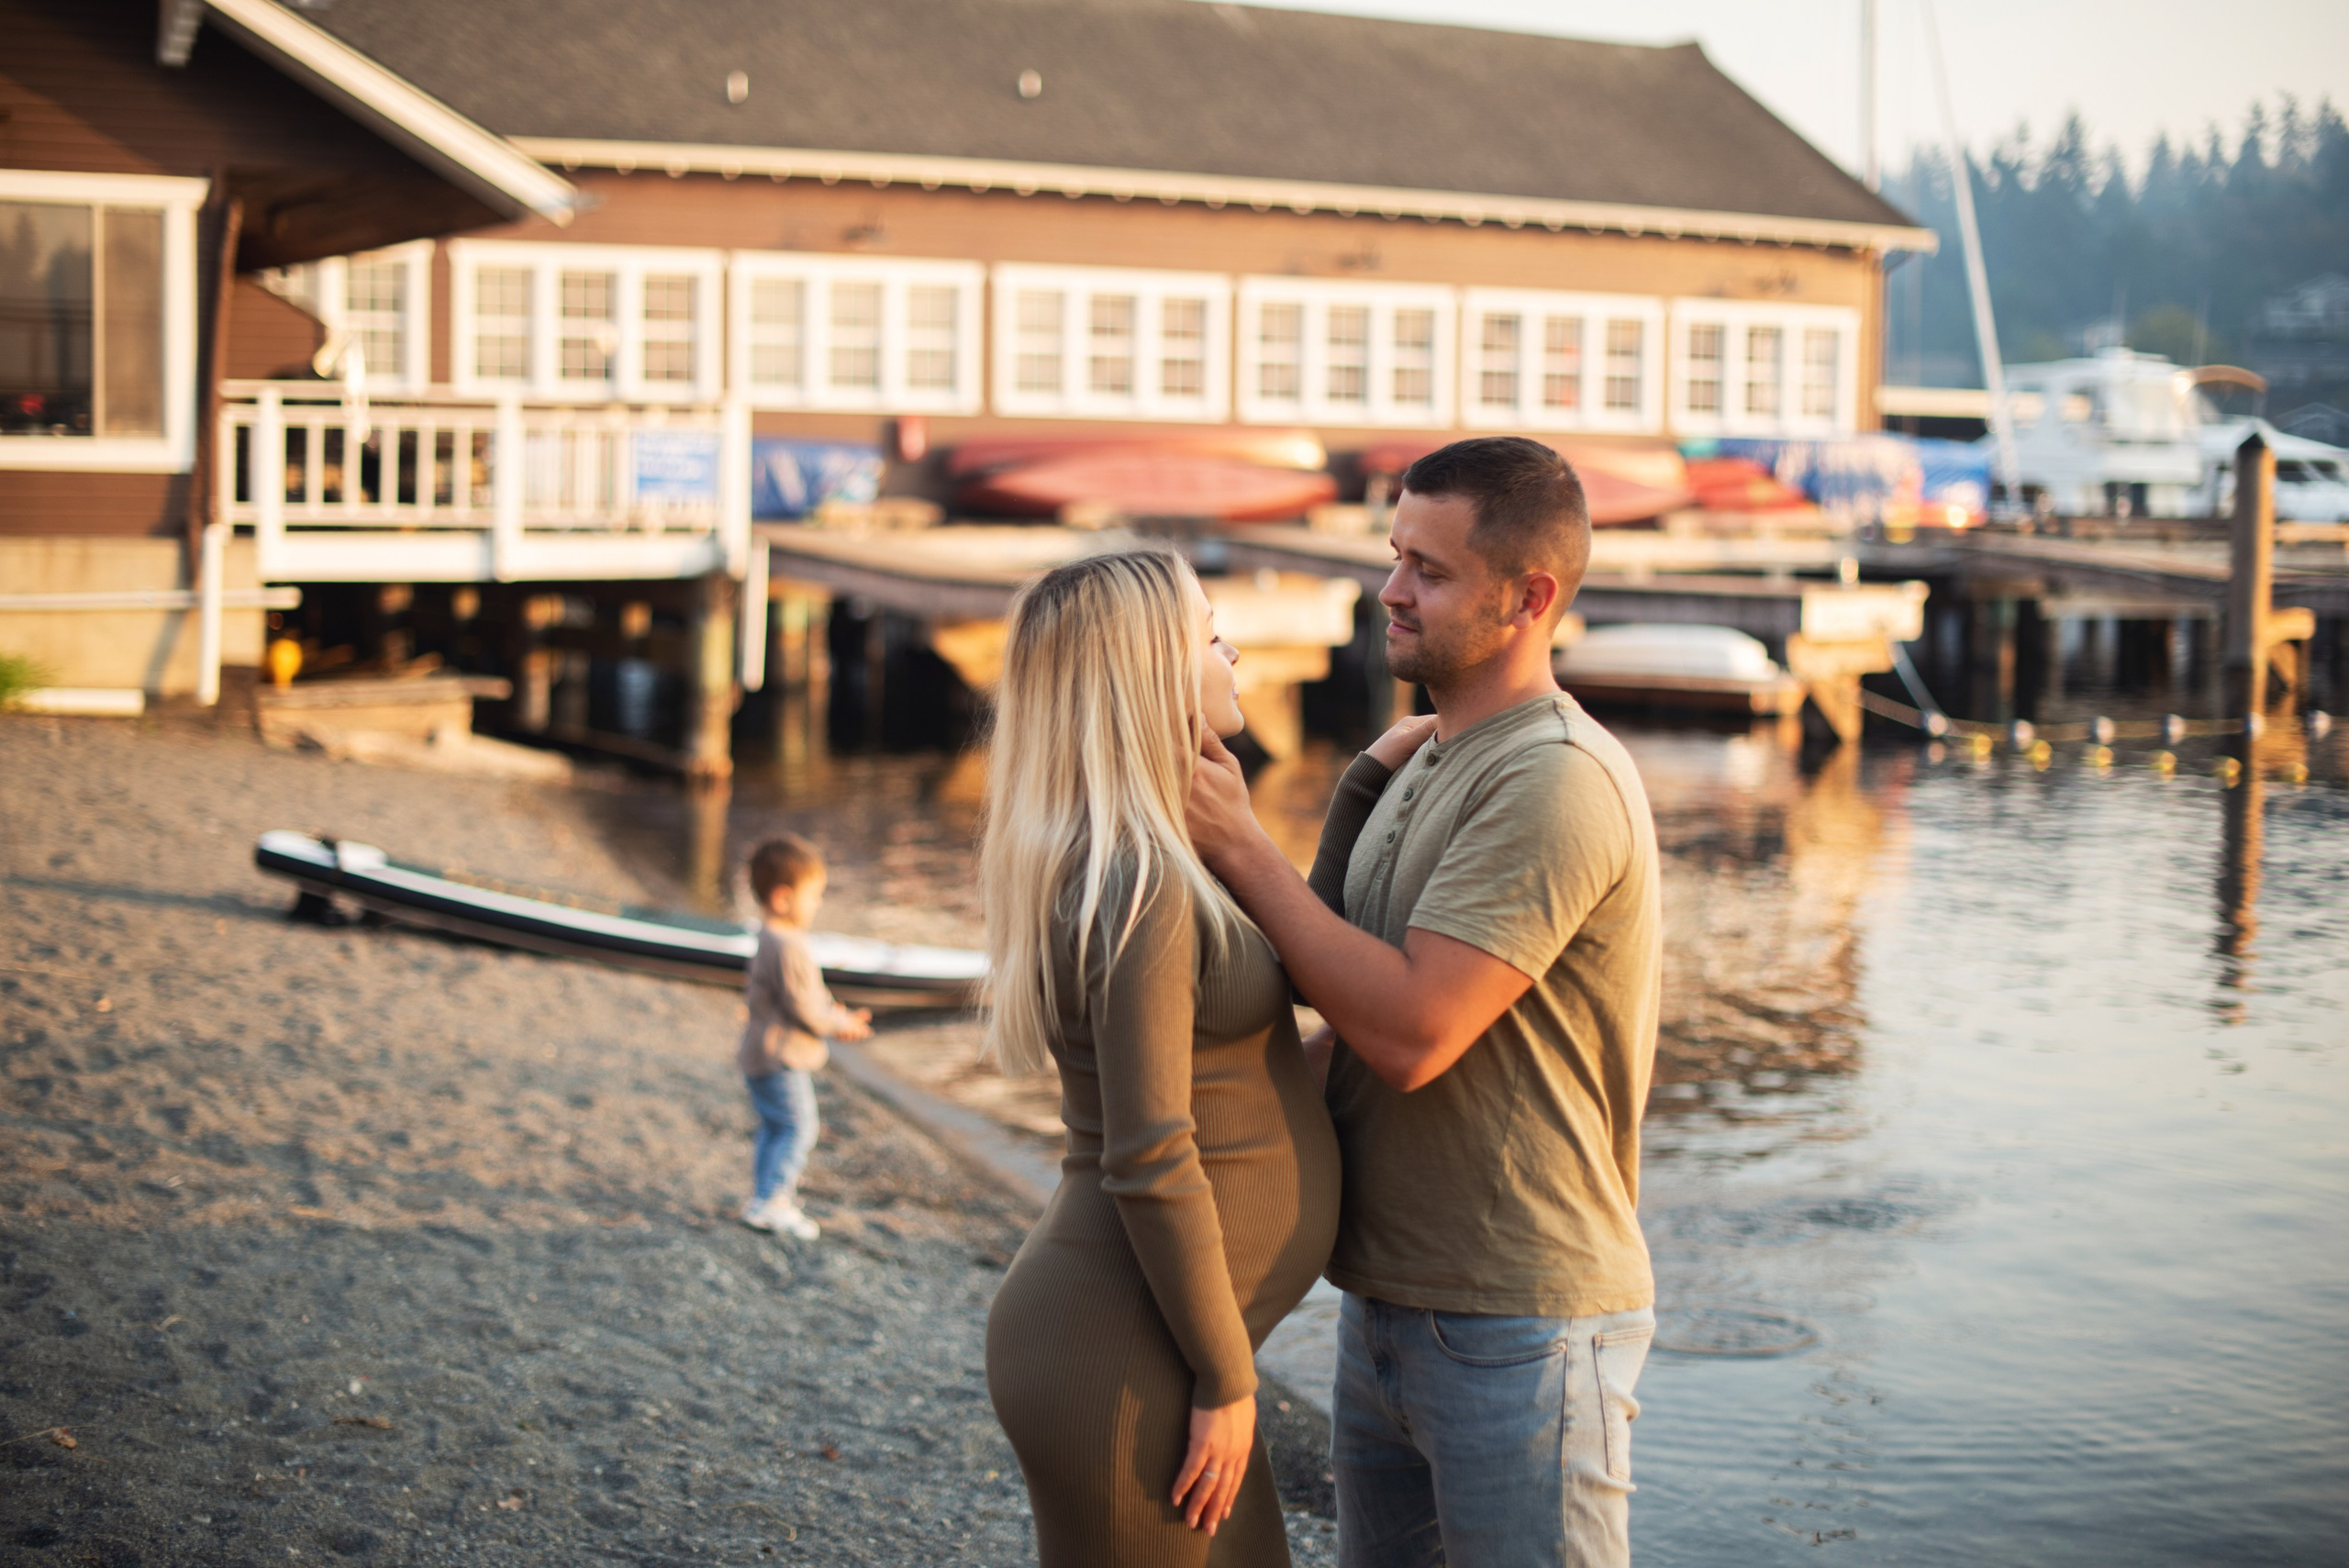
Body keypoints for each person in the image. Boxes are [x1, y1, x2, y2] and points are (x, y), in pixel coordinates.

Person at [1186, 437, 1664, 1568]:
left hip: (1524, 1320)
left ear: (1528, 598)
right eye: (1394, 554)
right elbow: (1326, 993)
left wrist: (1241, 842)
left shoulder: (1553, 777)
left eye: (1431, 571)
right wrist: (1357, 784)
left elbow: (1408, 1032)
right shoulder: (1433, 755)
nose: (1391, 590)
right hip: (1392, 1301)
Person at [982, 549, 1366, 1568]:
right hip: (1125, 1355)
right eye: (1208, 633)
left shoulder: (1163, 855)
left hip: (1153, 1345)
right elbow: (1150, 1151)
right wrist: (1228, 1380)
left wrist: (1366, 781)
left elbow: (1285, 990)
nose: (1234, 649)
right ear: (1147, 671)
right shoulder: (1141, 882)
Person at [737, 834, 870, 1242]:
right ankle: (775, 1201)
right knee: (799, 1127)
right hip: (781, 1058)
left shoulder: (768, 935)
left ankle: (763, 1198)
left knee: (775, 1127)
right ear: (782, 898)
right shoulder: (790, 945)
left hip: (760, 1054)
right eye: (814, 895)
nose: (818, 905)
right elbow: (807, 1008)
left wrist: (836, 1013)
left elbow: (803, 998)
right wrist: (840, 1024)